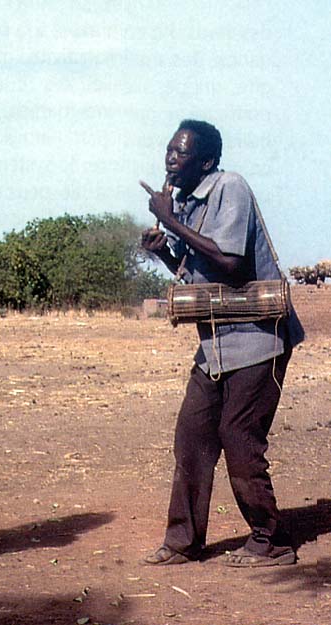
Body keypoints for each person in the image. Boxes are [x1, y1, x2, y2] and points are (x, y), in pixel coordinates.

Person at [139, 119, 304, 567]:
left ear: (207, 161)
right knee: (192, 437)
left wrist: (168, 218)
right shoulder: (189, 203)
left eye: (181, 152)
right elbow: (201, 270)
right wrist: (164, 248)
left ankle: (272, 540)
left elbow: (230, 263)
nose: (170, 158)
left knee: (239, 435)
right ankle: (182, 542)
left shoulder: (230, 187)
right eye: (169, 150)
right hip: (216, 343)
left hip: (258, 339)